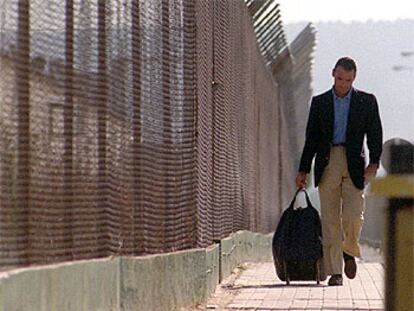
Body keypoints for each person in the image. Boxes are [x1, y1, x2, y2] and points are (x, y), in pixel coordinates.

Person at [295, 57, 383, 286]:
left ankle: (348, 250)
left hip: (355, 163)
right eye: (340, 78)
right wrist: (304, 169)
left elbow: (375, 133)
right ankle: (335, 271)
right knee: (330, 220)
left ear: (354, 78)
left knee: (353, 215)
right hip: (327, 162)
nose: (344, 84)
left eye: (349, 80)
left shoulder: (366, 101)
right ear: (333, 74)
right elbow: (311, 139)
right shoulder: (320, 102)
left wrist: (374, 162)